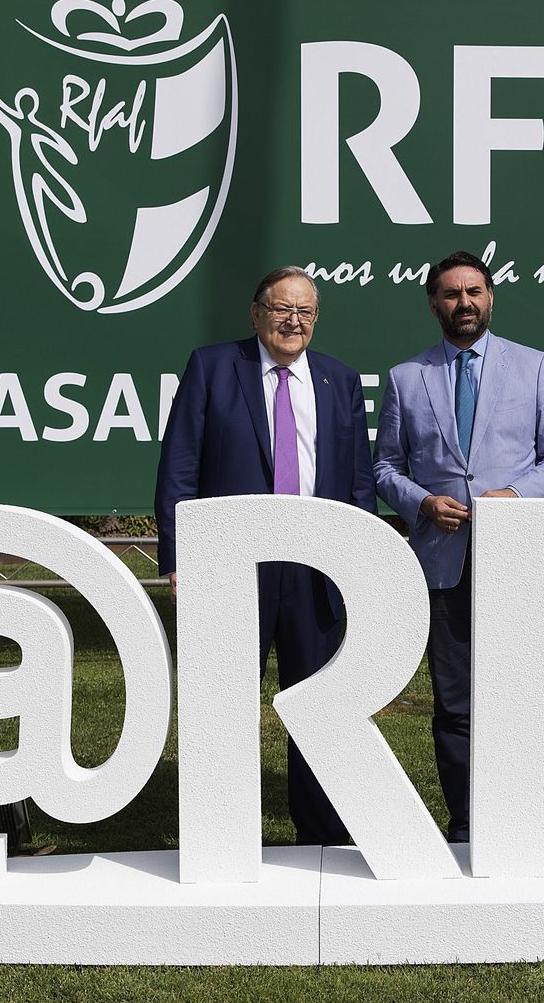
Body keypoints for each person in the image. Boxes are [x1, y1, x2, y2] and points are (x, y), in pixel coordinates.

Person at [155, 266, 374, 846]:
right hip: (233, 568)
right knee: (224, 704)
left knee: (320, 705)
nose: (293, 321)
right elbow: (179, 468)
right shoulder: (212, 368)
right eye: (282, 309)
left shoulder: (339, 381)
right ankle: (219, 832)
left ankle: (323, 833)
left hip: (317, 569)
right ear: (257, 314)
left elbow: (356, 481)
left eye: (305, 311)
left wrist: (360, 562)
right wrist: (178, 557)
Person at [373, 250, 544, 843]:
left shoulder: (533, 367)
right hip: (442, 563)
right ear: (433, 303)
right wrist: (420, 503)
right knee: (455, 701)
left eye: (474, 292)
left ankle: (543, 827)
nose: (463, 303)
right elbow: (385, 466)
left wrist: (514, 495)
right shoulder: (406, 378)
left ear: (490, 298)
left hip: (514, 562)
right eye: (450, 294)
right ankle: (466, 823)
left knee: (531, 699)